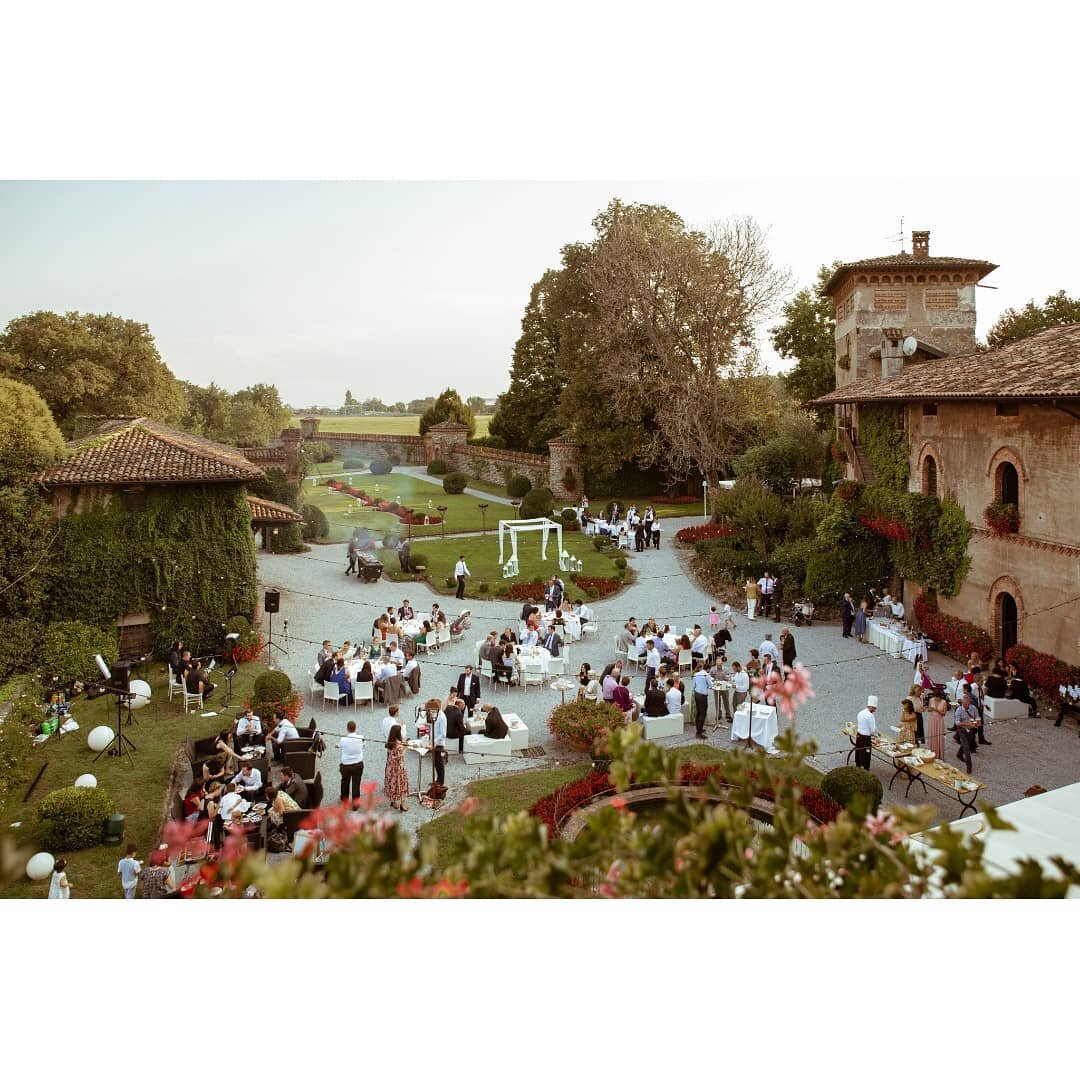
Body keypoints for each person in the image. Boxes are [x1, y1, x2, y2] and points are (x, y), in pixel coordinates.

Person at [384, 724, 409, 811]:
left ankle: (393, 801)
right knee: (401, 784)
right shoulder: (398, 746)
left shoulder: (390, 742)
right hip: (398, 769)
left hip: (390, 768)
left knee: (392, 784)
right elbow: (400, 757)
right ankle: (402, 804)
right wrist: (406, 747)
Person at [339, 719, 365, 803]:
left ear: (347, 729)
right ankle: (355, 804)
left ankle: (344, 799)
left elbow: (339, 746)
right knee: (356, 784)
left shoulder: (343, 739)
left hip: (346, 765)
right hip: (358, 764)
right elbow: (363, 746)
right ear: (355, 728)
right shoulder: (361, 738)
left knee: (345, 782)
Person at [954, 692, 980, 773]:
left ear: (969, 703)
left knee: (966, 744)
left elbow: (978, 718)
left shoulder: (974, 708)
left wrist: (978, 723)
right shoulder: (958, 710)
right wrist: (967, 724)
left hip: (971, 729)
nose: (965, 706)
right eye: (964, 704)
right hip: (962, 729)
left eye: (967, 704)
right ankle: (969, 766)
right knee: (966, 747)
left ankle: (959, 754)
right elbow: (957, 722)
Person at [854, 695, 878, 770]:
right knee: (865, 756)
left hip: (859, 736)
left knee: (859, 753)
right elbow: (873, 730)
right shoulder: (870, 716)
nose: (875, 710)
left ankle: (858, 766)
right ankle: (865, 769)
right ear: (872, 707)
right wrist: (876, 735)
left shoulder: (860, 713)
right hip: (865, 738)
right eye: (874, 709)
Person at [691, 662, 711, 739]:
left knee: (698, 712)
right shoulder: (706, 675)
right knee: (703, 713)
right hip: (703, 695)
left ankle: (699, 728)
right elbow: (711, 685)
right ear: (708, 669)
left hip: (697, 694)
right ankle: (699, 733)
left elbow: (693, 686)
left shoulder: (696, 675)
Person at [926, 691, 948, 760]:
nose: (935, 699)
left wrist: (937, 710)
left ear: (940, 697)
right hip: (932, 720)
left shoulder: (944, 702)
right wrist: (930, 709)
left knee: (939, 736)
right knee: (932, 735)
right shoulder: (931, 699)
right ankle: (931, 753)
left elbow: (944, 713)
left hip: (939, 720)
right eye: (935, 697)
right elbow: (929, 710)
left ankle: (939, 754)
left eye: (937, 697)